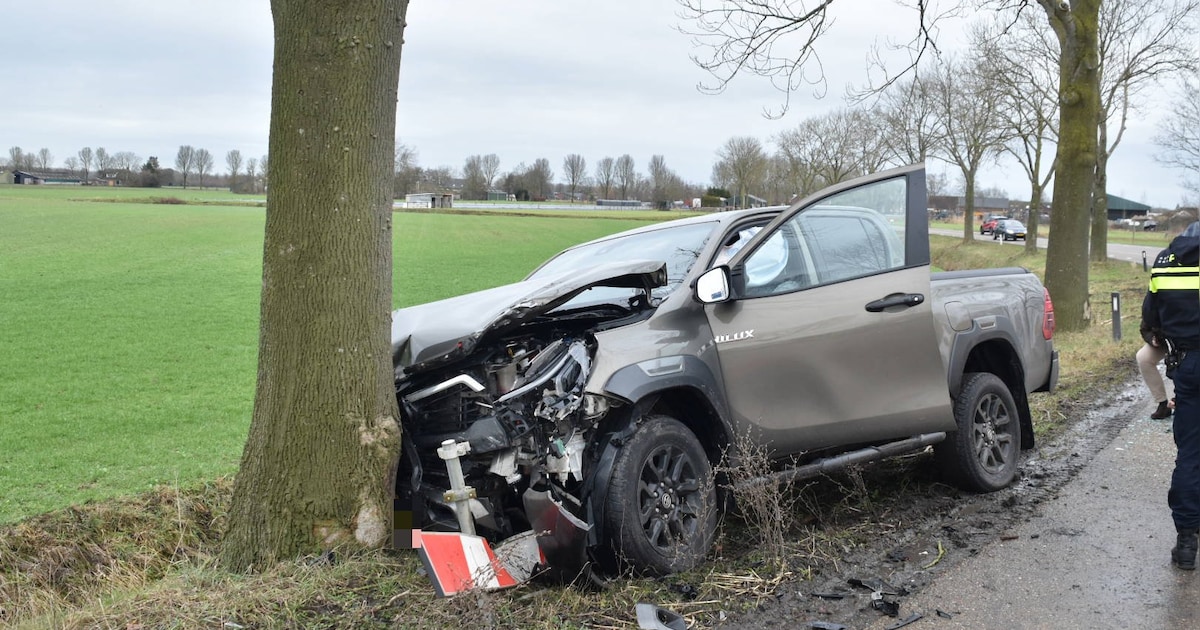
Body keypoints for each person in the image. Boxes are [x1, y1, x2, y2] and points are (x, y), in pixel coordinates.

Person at [1142, 221, 1200, 570]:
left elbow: (1151, 319)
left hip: (1190, 365)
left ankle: (1186, 543)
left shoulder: (1166, 261)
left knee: (1191, 454)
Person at [1137, 331, 1174, 419]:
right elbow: (1145, 326)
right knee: (1143, 358)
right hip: (1166, 339)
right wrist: (1152, 338)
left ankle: (1184, 400)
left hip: (1190, 339)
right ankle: (1162, 403)